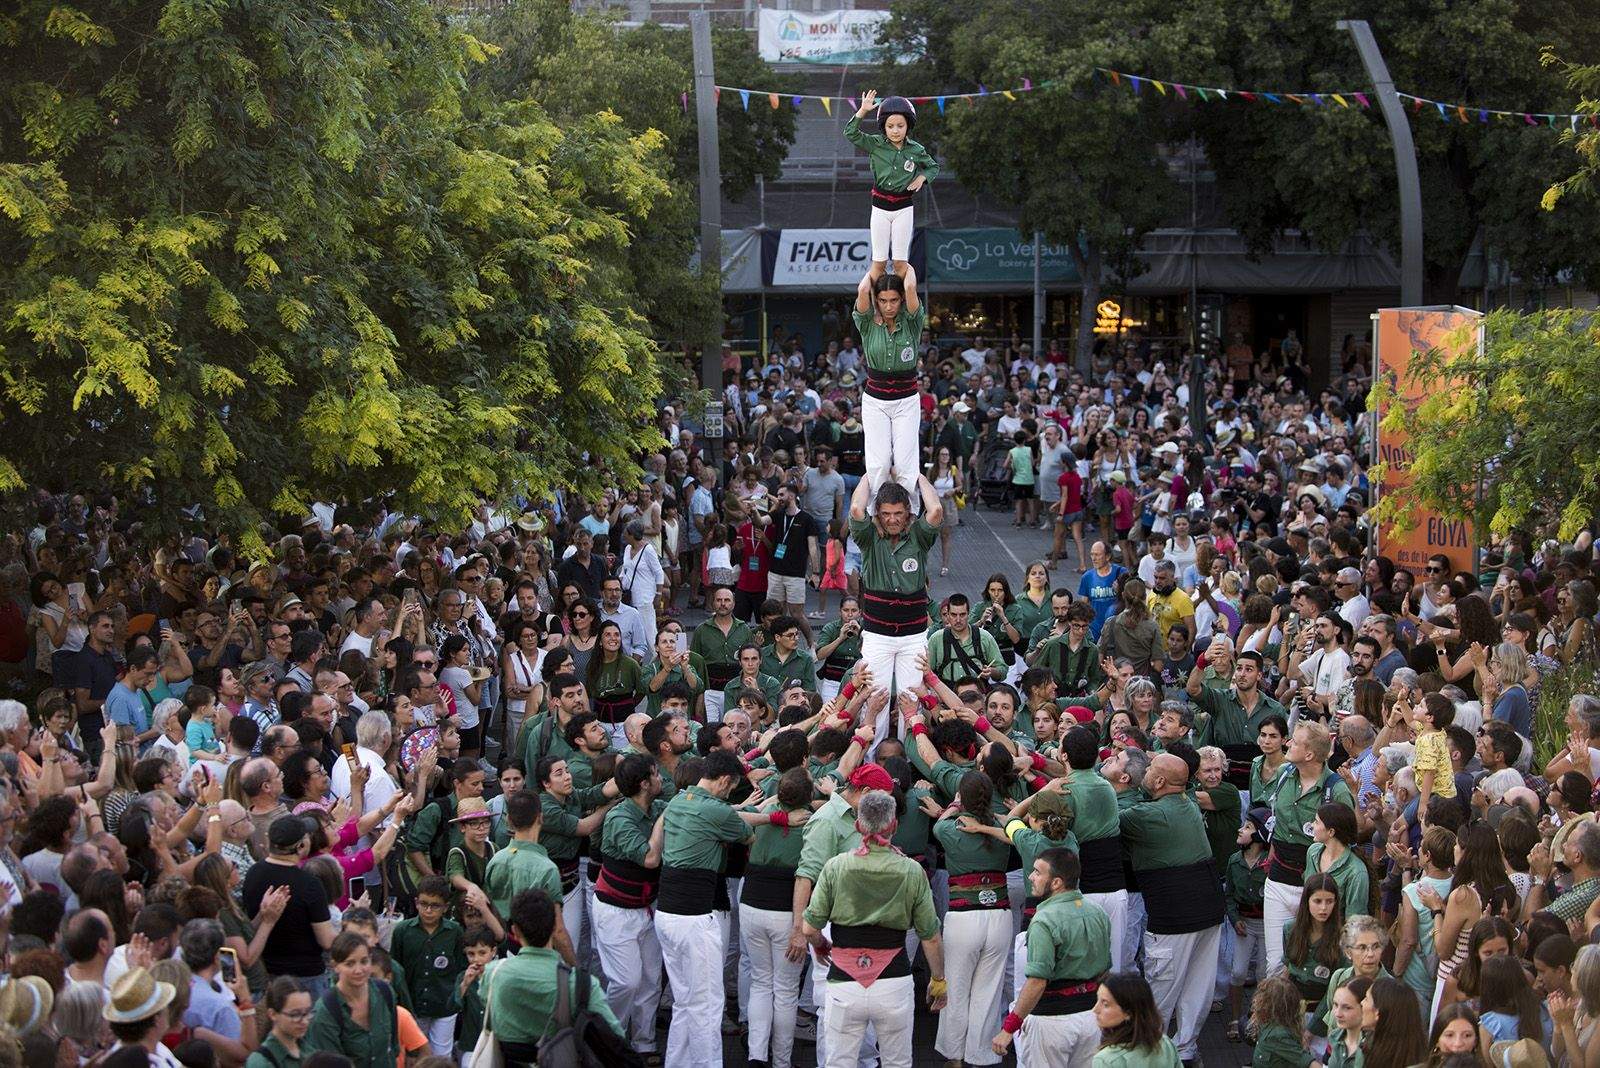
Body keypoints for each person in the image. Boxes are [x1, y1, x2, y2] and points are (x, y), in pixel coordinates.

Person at [801, 788, 946, 1068]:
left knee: (838, 1062)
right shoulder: (912, 870)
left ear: (857, 825)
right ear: (894, 826)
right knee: (897, 1062)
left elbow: (809, 927)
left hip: (844, 978)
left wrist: (820, 945)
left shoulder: (835, 867)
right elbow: (930, 935)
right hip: (894, 979)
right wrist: (938, 979)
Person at [1116, 752, 1226, 1064]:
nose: (1145, 770)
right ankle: (1186, 1050)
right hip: (1209, 908)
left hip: (1175, 914)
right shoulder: (1188, 804)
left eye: (1150, 768)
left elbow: (1110, 818)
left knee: (1161, 990)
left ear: (1161, 781)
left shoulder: (1144, 816)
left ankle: (1151, 1054)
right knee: (1196, 987)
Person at [654, 749, 754, 1067]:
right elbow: (745, 833)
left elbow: (730, 814)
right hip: (694, 918)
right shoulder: (717, 811)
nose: (729, 793)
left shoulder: (678, 801)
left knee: (685, 1001)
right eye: (731, 787)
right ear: (724, 780)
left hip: (667, 914)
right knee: (708, 1003)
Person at [989, 846, 1111, 1066]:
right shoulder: (1098, 913)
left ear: (1056, 882)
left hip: (1052, 1023)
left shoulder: (1043, 920)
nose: (1031, 877)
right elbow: (1105, 971)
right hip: (1092, 1019)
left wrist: (1009, 1028)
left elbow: (1037, 981)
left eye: (1037, 872)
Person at [847, 472, 942, 743]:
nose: (892, 519)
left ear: (908, 513)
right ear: (877, 513)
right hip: (877, 636)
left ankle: (910, 756)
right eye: (885, 513)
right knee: (875, 699)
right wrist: (872, 473)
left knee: (911, 700)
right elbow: (855, 508)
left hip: (913, 636)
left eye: (898, 513)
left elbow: (935, 509)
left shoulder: (919, 538)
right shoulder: (868, 539)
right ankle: (872, 759)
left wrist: (916, 475)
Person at [479, 888, 627, 1062]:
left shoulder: (492, 974)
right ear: (554, 928)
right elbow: (616, 1037)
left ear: (515, 931)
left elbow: (487, 1007)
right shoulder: (580, 984)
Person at [852, 264, 927, 508]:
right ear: (877, 300)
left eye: (894, 300)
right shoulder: (867, 323)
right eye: (883, 300)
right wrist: (879, 265)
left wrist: (902, 264)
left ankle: (910, 514)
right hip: (875, 401)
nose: (888, 306)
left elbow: (911, 284)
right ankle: (877, 513)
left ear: (902, 300)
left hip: (906, 400)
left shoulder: (913, 322)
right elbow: (863, 288)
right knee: (879, 463)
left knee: (906, 464)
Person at [845, 91, 938, 282]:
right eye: (890, 126)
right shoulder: (875, 144)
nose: (895, 130)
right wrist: (862, 111)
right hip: (880, 206)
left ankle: (907, 306)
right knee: (879, 263)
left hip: (904, 207)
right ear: (883, 127)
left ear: (908, 126)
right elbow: (850, 133)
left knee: (899, 263)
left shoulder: (916, 149)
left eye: (900, 126)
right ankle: (871, 307)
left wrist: (922, 178)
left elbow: (933, 167)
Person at [302, 931, 402, 1068]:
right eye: (350, 964)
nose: (359, 970)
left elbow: (393, 1046)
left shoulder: (384, 992)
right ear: (335, 966)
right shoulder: (326, 1012)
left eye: (364, 961)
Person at [1088, 971, 1182, 1066]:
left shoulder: (1106, 1060)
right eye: (1097, 1000)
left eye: (1105, 1004)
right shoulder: (1165, 1044)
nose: (1095, 1009)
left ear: (1128, 1013)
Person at [244, 977, 312, 1068]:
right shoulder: (261, 1062)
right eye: (295, 1015)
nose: (304, 1021)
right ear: (273, 1014)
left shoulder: (309, 1049)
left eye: (307, 1013)